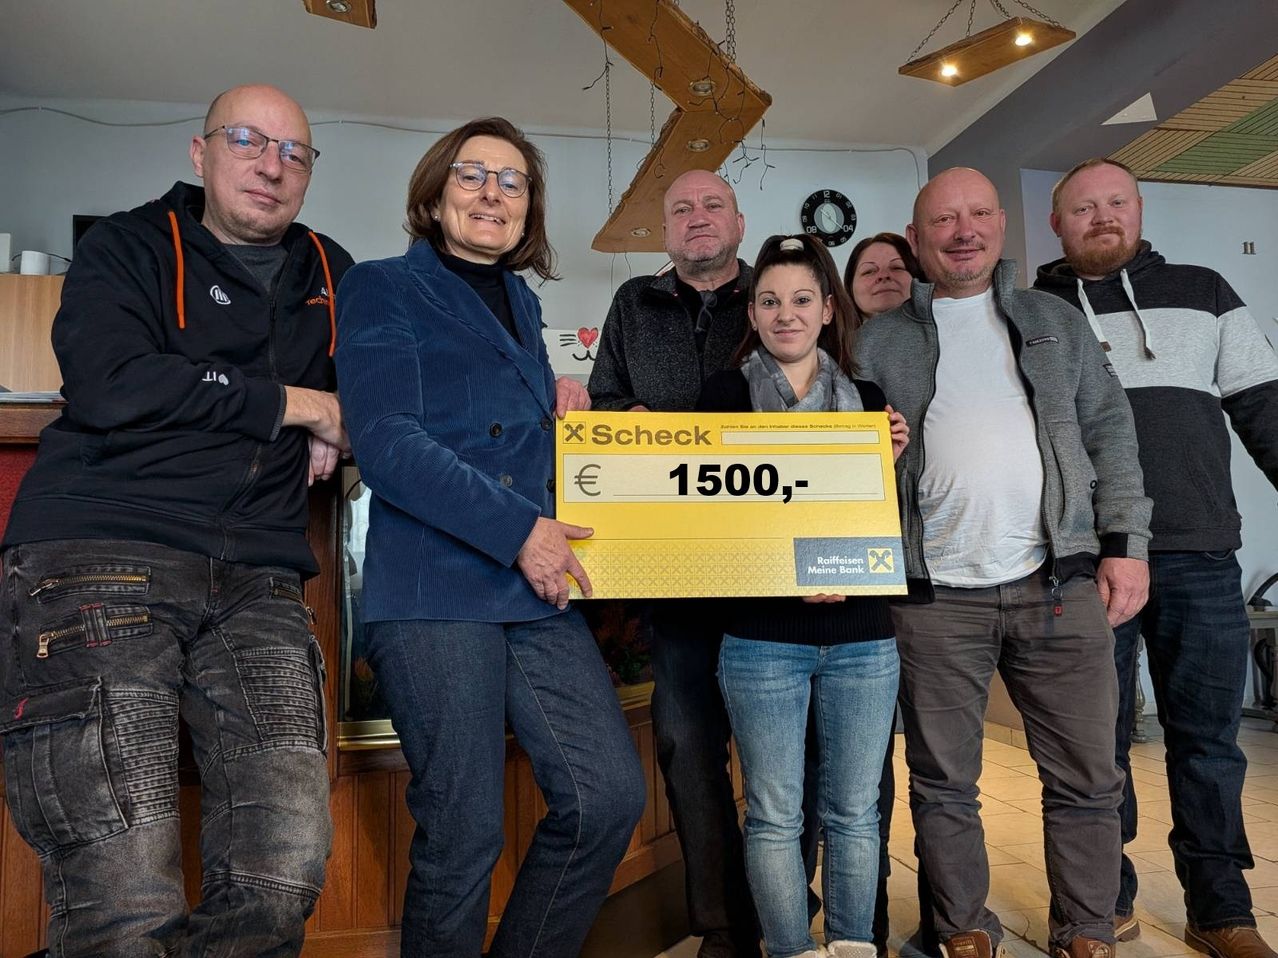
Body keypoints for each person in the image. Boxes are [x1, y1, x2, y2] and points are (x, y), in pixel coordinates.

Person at [0, 84, 352, 956]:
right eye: (247, 141)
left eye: (294, 153)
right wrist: (299, 405)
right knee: (123, 904)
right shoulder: (125, 247)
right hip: (100, 552)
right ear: (200, 155)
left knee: (285, 874)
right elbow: (115, 384)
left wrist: (346, 433)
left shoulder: (331, 271)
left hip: (258, 583)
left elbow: (387, 395)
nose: (271, 166)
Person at [334, 116, 646, 958]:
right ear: (434, 196)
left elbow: (498, 432)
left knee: (608, 796)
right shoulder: (380, 287)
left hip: (528, 594)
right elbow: (391, 442)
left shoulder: (521, 300)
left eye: (513, 182)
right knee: (465, 832)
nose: (492, 194)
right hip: (437, 588)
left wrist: (571, 412)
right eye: (473, 175)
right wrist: (519, 532)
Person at [856, 167, 1153, 958]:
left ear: (1000, 227)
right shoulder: (877, 338)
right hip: (933, 596)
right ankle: (962, 928)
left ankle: (1086, 929)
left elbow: (1112, 433)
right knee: (943, 781)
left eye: (979, 213)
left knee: (1089, 777)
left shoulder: (1053, 320)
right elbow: (846, 467)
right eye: (943, 220)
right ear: (917, 241)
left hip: (1057, 582)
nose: (963, 230)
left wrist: (1126, 546)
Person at [1035, 157, 1278, 958]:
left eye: (1116, 203)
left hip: (1201, 554)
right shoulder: (1033, 311)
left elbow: (1264, 407)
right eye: (1083, 207)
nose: (1101, 217)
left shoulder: (1207, 290)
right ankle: (1103, 902)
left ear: (1137, 212)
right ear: (1056, 223)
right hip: (1080, 559)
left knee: (1207, 743)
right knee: (1093, 745)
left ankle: (1222, 909)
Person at [589, 169, 820, 957]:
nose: (697, 218)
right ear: (663, 231)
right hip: (675, 571)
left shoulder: (778, 295)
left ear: (739, 219)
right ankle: (723, 926)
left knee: (789, 754)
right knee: (688, 750)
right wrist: (630, 417)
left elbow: (834, 385)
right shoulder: (632, 304)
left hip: (772, 570)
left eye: (711, 205)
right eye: (681, 209)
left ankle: (790, 905)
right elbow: (603, 402)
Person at [697, 234, 908, 958]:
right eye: (769, 301)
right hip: (761, 640)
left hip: (863, 639)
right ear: (752, 315)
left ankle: (851, 948)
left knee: (855, 812)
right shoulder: (722, 398)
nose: (785, 313)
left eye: (801, 300)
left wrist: (892, 460)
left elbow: (879, 519)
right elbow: (713, 517)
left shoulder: (870, 404)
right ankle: (788, 950)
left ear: (827, 312)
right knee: (775, 816)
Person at [842, 230, 936, 958]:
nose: (882, 277)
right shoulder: (838, 368)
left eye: (894, 267)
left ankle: (944, 920)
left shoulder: (943, 347)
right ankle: (862, 927)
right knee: (861, 780)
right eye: (866, 270)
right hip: (863, 586)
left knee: (938, 769)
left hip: (936, 578)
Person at [845, 231, 922, 326]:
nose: (883, 275)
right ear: (850, 286)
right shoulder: (834, 340)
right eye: (869, 271)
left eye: (897, 267)